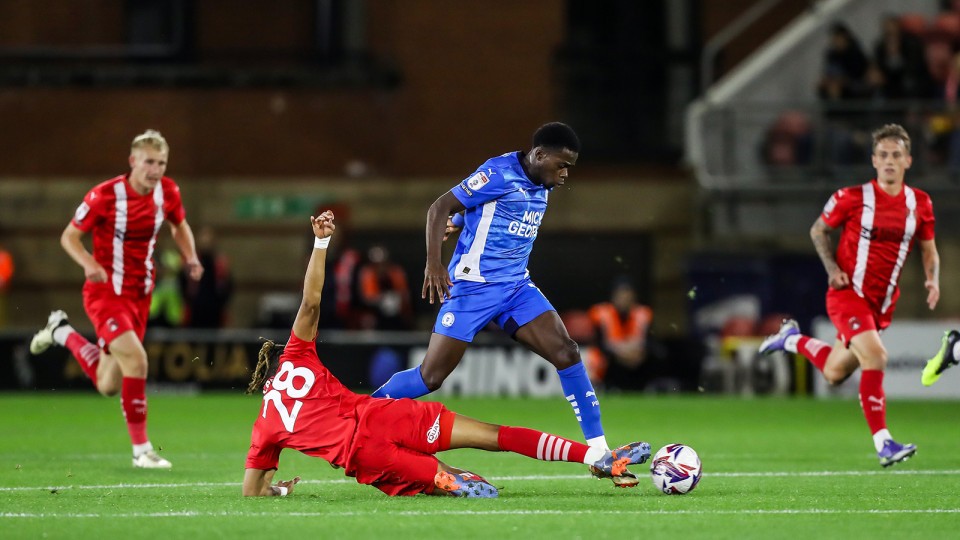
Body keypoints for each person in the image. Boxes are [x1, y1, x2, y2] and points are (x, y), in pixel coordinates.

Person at [243, 211, 651, 498]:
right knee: (496, 436)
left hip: (364, 456)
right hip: (384, 415)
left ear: (264, 387)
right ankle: (593, 456)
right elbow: (311, 303)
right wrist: (321, 242)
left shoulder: (266, 427)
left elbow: (252, 491)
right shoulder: (296, 355)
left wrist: (275, 488)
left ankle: (444, 478)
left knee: (435, 478)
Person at [369, 122, 637, 487]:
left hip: (516, 288)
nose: (564, 174)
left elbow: (492, 213)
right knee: (431, 377)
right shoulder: (497, 172)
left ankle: (600, 452)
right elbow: (439, 207)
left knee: (567, 351)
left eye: (569, 167)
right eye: (562, 165)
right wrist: (434, 261)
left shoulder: (543, 181)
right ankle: (361, 413)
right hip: (472, 287)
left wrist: (463, 221)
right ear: (539, 154)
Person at [759, 124, 940, 468]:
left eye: (896, 155)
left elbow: (929, 250)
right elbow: (818, 230)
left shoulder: (921, 203)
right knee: (877, 357)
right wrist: (831, 269)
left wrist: (933, 281)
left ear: (908, 160)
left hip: (881, 304)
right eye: (883, 155)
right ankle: (884, 443)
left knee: (834, 372)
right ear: (873, 160)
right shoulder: (852, 198)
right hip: (846, 295)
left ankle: (792, 340)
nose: (889, 161)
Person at [29, 129, 203, 469]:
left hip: (140, 296)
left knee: (108, 384)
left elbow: (179, 225)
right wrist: (89, 262)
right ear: (133, 162)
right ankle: (142, 451)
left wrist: (191, 257)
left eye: (162, 163)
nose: (155, 170)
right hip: (106, 293)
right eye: (149, 162)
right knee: (137, 361)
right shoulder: (104, 196)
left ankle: (61, 331)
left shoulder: (168, 191)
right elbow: (69, 237)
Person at [588, 278, 654, 392]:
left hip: (635, 358)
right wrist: (621, 354)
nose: (625, 300)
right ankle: (604, 387)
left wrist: (637, 353)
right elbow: (599, 343)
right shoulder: (602, 313)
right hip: (612, 359)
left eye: (628, 296)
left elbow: (649, 341)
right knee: (597, 357)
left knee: (654, 356)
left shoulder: (643, 314)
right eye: (621, 296)